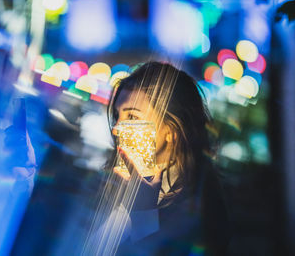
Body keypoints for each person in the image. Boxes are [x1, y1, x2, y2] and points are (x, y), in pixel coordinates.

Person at [91, 62, 230, 255]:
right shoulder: (112, 183)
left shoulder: (193, 206)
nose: (116, 128)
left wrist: (143, 212)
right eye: (117, 115)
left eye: (132, 117)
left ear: (172, 132)